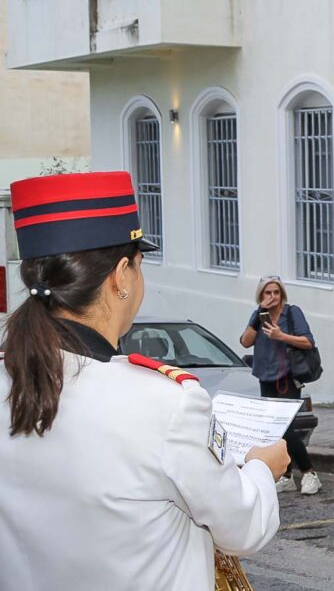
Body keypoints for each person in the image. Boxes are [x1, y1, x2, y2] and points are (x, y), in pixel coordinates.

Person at [0, 171, 288, 590]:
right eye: (139, 265)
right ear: (121, 275)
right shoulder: (165, 404)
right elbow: (243, 528)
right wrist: (262, 468)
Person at [239, 275, 321, 494]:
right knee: (273, 432)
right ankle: (285, 475)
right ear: (261, 295)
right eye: (268, 293)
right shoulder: (258, 315)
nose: (273, 296)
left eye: (276, 292)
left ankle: (309, 473)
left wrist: (281, 336)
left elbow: (308, 341)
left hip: (287, 378)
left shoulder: (292, 313)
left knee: (286, 429)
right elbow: (245, 341)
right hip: (265, 377)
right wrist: (258, 316)